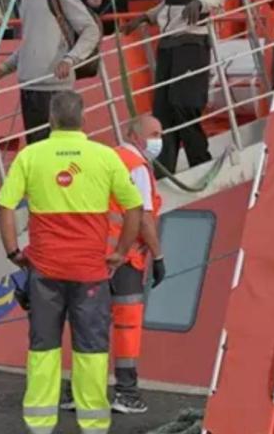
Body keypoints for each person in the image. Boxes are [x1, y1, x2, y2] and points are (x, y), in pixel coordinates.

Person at [0, 90, 144, 434]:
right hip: (90, 273)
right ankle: (93, 425)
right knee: (91, 351)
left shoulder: (30, 156)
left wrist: (13, 252)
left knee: (43, 350)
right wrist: (121, 252)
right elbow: (135, 208)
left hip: (45, 272)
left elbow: (5, 207)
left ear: (51, 118)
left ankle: (39, 424)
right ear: (83, 118)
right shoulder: (105, 157)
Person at [60, 115, 168, 415]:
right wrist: (158, 256)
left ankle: (79, 391)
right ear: (134, 135)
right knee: (127, 325)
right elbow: (143, 218)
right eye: (154, 134)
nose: (159, 140)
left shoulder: (104, 158)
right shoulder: (137, 167)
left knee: (90, 323)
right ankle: (126, 392)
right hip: (124, 259)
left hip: (90, 256)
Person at [124, 0, 223, 174]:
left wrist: (200, 3)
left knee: (184, 103)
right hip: (167, 40)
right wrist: (145, 17)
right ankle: (164, 171)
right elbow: (168, 1)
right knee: (163, 108)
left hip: (193, 38)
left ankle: (199, 162)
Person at [0, 0, 102, 145]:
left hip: (56, 89)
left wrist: (70, 59)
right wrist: (3, 69)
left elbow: (90, 29)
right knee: (39, 149)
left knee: (58, 149)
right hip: (29, 89)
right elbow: (29, 43)